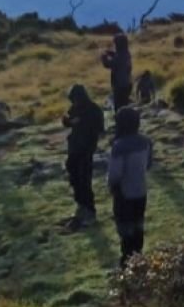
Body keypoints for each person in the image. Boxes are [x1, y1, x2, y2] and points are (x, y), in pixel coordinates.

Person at [109, 107, 153, 265]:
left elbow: (115, 175)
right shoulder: (146, 141)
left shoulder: (119, 146)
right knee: (138, 225)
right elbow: (148, 165)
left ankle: (127, 262)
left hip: (123, 193)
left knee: (125, 229)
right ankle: (138, 257)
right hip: (141, 190)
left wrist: (112, 188)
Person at [63, 84, 104, 227]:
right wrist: (68, 122)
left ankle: (90, 210)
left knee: (84, 180)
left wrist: (84, 125)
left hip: (86, 149)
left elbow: (99, 129)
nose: (74, 102)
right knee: (74, 178)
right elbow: (69, 121)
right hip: (74, 148)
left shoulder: (94, 110)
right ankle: (81, 206)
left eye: (75, 99)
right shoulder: (75, 108)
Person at [101, 33, 133, 110]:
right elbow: (117, 55)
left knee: (119, 108)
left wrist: (103, 57)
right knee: (125, 106)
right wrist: (110, 53)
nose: (115, 45)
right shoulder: (126, 53)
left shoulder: (120, 56)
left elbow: (107, 64)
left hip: (120, 86)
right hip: (127, 84)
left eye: (115, 43)